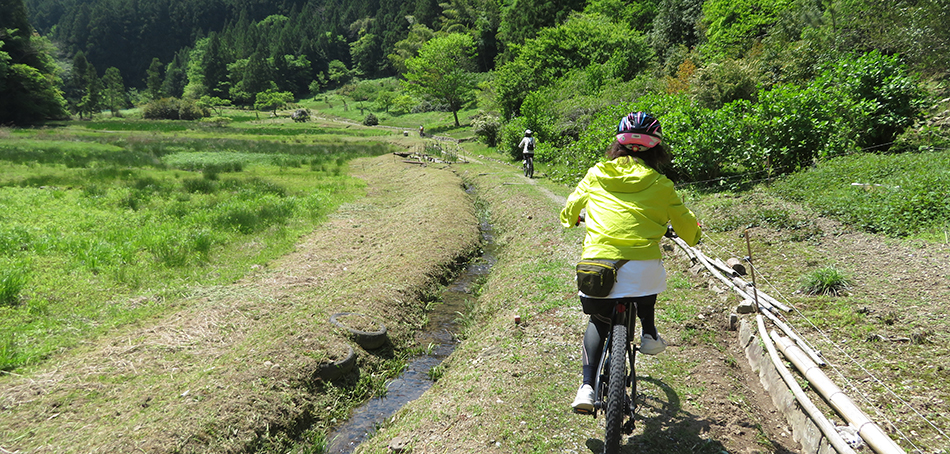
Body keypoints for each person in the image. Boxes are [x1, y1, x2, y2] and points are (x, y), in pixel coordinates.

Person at [559, 111, 702, 412]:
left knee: (599, 319)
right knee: (645, 282)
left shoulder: (596, 173)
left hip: (597, 269)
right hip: (643, 272)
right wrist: (693, 233)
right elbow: (690, 233)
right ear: (657, 150)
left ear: (618, 145)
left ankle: (586, 387)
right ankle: (649, 334)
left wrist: (574, 219)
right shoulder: (662, 184)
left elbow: (569, 211)